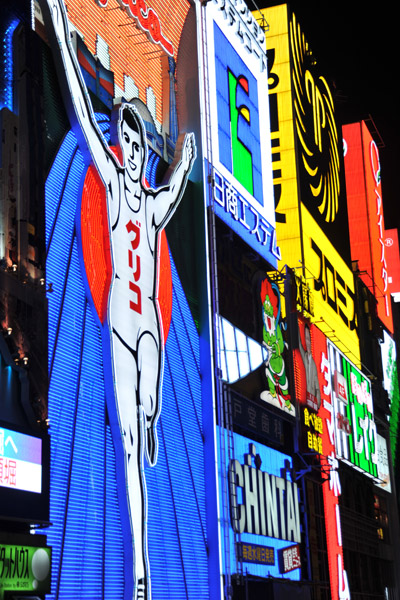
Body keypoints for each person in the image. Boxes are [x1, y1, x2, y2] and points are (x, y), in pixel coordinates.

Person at [39, 1, 196, 598]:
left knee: (148, 411)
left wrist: (185, 155)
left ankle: (152, 415)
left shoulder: (154, 206)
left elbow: (178, 183)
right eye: (127, 139)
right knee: (131, 452)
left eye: (134, 139)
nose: (130, 150)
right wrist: (58, 19)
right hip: (122, 331)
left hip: (149, 331)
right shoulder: (112, 179)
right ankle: (140, 575)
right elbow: (80, 103)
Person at [298, 322, 321, 410]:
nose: (307, 341)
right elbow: (299, 343)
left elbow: (317, 388)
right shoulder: (303, 355)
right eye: (306, 338)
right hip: (303, 401)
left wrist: (317, 404)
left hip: (312, 405)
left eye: (308, 339)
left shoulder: (314, 364)